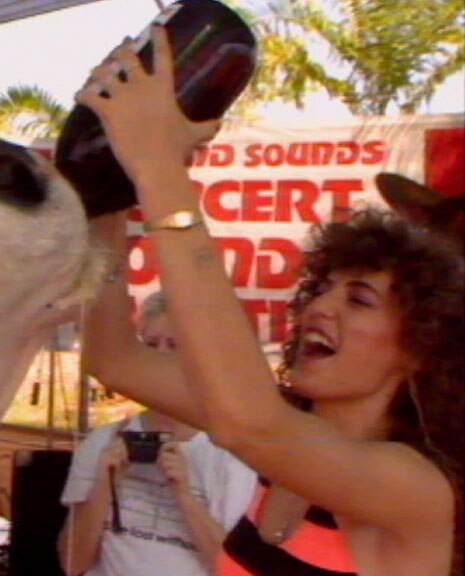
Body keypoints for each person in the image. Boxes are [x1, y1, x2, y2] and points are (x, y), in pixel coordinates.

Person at [75, 26, 464, 575]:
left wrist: (158, 165)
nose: (321, 308)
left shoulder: (411, 486)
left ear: (419, 346)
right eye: (321, 288)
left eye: (359, 300)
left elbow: (249, 425)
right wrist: (106, 199)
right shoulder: (282, 429)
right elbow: (114, 357)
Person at [58, 291, 256, 576]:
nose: (160, 356)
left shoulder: (231, 453)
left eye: (175, 345)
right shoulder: (104, 440)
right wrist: (103, 486)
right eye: (151, 345)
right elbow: (72, 563)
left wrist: (185, 496)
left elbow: (236, 569)